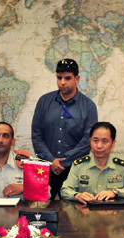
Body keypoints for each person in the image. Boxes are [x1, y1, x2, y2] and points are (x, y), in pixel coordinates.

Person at [31, 58, 98, 198]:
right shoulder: (44, 102)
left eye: (67, 78)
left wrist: (65, 162)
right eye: (59, 78)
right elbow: (37, 135)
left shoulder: (88, 106)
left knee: (75, 215)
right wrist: (51, 160)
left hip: (75, 170)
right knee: (41, 213)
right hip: (45, 168)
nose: (62, 82)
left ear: (77, 78)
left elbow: (87, 140)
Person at [61, 121, 124, 203]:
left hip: (114, 213)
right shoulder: (79, 165)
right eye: (95, 140)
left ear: (113, 143)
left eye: (105, 141)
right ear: (90, 141)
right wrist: (77, 195)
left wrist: (115, 192)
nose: (99, 146)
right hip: (86, 213)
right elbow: (65, 190)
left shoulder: (123, 167)